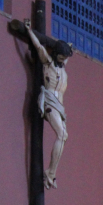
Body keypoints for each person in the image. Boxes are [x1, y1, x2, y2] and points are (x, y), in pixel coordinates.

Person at [24, 19, 73, 190]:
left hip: (60, 105)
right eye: (62, 56)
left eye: (65, 57)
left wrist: (69, 47)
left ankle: (51, 173)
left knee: (64, 136)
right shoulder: (49, 63)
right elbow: (38, 47)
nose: (64, 59)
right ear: (56, 54)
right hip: (50, 102)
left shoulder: (62, 66)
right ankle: (50, 173)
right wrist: (30, 31)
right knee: (61, 134)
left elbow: (67, 53)